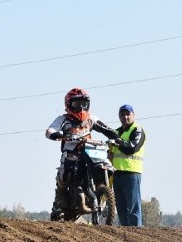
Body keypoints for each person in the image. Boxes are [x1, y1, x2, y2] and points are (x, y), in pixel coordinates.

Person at [45, 88, 119, 220]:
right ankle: (60, 198)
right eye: (76, 104)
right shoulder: (63, 119)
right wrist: (58, 134)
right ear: (68, 105)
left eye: (83, 104)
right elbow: (50, 131)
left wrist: (115, 136)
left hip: (90, 151)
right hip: (71, 152)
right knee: (64, 171)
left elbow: (106, 128)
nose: (80, 108)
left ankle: (99, 191)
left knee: (106, 165)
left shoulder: (91, 119)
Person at [109, 104, 146, 227]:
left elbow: (132, 148)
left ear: (133, 115)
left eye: (127, 114)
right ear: (119, 116)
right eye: (122, 114)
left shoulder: (137, 129)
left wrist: (118, 142)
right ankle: (125, 237)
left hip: (131, 173)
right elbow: (110, 153)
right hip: (117, 174)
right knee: (121, 209)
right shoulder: (116, 132)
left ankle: (137, 234)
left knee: (133, 208)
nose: (125, 117)